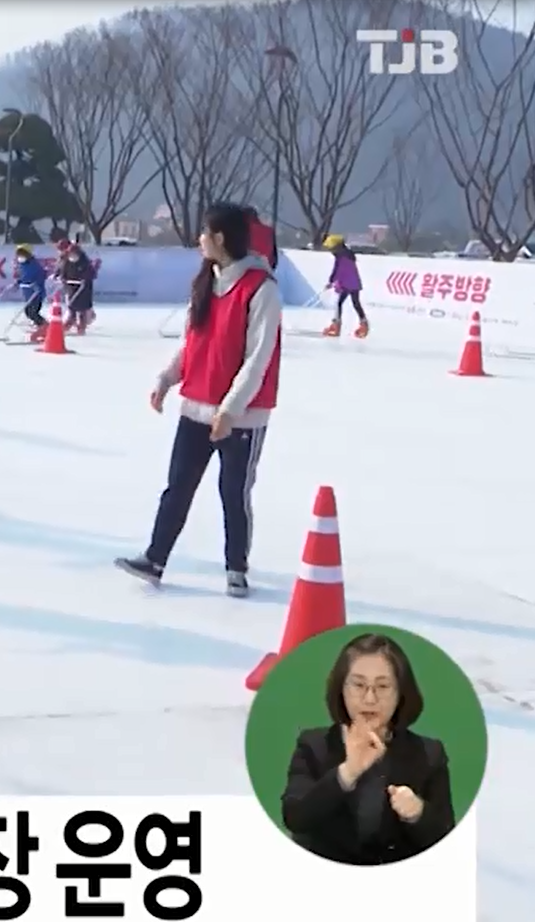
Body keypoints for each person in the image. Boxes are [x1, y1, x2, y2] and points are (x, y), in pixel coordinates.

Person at [117, 202, 283, 598]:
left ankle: (236, 568)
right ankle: (155, 558)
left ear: (221, 238)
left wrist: (230, 410)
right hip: (196, 406)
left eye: (205, 233)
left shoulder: (261, 288)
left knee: (234, 493)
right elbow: (191, 344)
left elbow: (257, 359)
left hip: (242, 416)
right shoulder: (206, 282)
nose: (199, 240)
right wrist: (166, 379)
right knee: (178, 486)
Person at [281, 633, 456, 865]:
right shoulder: (313, 745)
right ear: (340, 689)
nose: (370, 698)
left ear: (401, 693)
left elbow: (446, 836)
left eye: (383, 686)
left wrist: (418, 813)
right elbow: (295, 818)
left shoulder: (429, 753)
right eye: (358, 685)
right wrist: (348, 772)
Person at [322, 234, 370, 339]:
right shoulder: (345, 256)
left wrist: (333, 282)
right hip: (353, 283)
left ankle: (336, 325)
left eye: (331, 248)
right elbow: (339, 270)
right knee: (355, 303)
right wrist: (333, 281)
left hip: (348, 283)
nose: (330, 251)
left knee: (340, 303)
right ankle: (363, 323)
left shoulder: (343, 257)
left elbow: (340, 271)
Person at [58, 241, 97, 333]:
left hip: (84, 287)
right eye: (70, 254)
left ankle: (82, 325)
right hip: (71, 286)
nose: (72, 256)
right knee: (71, 305)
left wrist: (85, 278)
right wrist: (63, 278)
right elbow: (63, 272)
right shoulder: (66, 262)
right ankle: (70, 321)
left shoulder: (85, 262)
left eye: (74, 254)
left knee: (82, 307)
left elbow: (91, 273)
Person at [13, 243, 48, 337]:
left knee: (33, 312)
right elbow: (23, 277)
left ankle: (44, 326)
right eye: (19, 255)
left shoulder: (35, 265)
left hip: (37, 293)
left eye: (22, 254)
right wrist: (18, 282)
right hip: (28, 293)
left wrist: (36, 284)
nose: (20, 257)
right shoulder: (22, 265)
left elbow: (42, 275)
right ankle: (40, 325)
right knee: (28, 311)